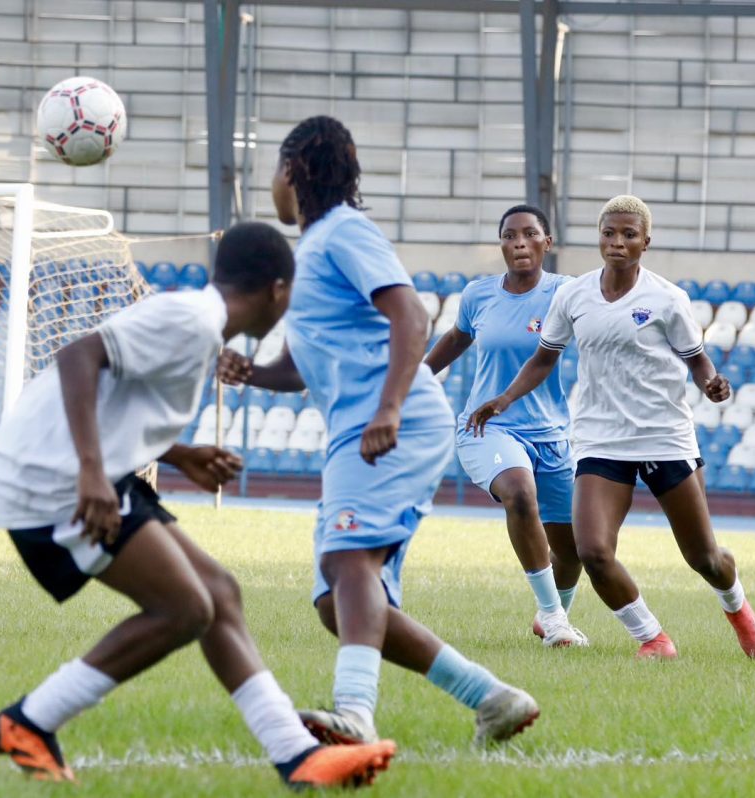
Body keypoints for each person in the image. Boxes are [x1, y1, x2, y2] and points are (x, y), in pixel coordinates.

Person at [0, 221, 396, 789]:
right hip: (51, 479)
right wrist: (91, 473)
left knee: (219, 593)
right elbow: (80, 357)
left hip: (79, 468)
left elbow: (119, 400)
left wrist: (181, 455)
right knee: (183, 609)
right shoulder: (193, 321)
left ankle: (298, 755)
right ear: (278, 289)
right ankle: (28, 721)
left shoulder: (201, 326)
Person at [218, 115, 539, 747]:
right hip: (356, 428)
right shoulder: (311, 251)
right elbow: (303, 367)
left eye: (275, 170)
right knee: (335, 603)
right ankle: (492, 698)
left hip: (391, 422)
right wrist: (251, 372)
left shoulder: (344, 231)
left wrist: (389, 408)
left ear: (293, 170)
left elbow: (410, 315)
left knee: (348, 563)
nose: (272, 183)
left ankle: (355, 714)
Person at [468, 195, 755, 661]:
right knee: (592, 551)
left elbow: (697, 361)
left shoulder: (668, 299)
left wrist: (711, 383)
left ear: (646, 242)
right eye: (609, 233)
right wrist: (504, 399)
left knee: (704, 558)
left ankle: (739, 609)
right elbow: (544, 359)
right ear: (599, 238)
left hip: (664, 438)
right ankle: (654, 639)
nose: (617, 242)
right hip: (600, 440)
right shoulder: (574, 295)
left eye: (629, 234)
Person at [424, 204, 586, 649]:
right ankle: (554, 617)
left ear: (547, 242)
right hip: (487, 426)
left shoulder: (566, 292)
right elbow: (455, 339)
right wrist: (414, 379)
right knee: (518, 491)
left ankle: (552, 616)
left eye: (529, 234)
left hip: (550, 434)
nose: (519, 243)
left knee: (574, 550)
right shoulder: (478, 295)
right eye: (509, 235)